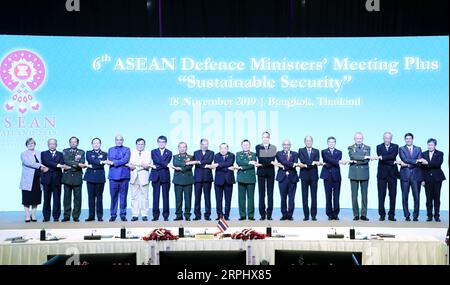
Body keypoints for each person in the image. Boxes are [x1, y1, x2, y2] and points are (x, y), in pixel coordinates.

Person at [348, 132, 376, 221]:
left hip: (364, 173)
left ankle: (363, 214)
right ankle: (356, 214)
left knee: (364, 195)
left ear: (363, 139)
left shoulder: (368, 147)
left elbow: (366, 161)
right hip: (354, 173)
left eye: (360, 138)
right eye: (357, 138)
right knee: (354, 195)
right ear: (354, 139)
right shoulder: (350, 147)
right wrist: (364, 157)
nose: (359, 140)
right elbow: (352, 156)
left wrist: (358, 159)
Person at [104, 135, 131, 222]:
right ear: (115, 141)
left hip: (124, 176)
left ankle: (123, 214)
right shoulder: (110, 149)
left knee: (123, 197)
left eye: (120, 140)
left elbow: (126, 160)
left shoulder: (127, 149)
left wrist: (114, 162)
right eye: (117, 140)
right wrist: (119, 161)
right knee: (113, 197)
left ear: (123, 141)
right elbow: (111, 159)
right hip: (113, 176)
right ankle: (113, 214)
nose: (119, 141)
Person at [20, 138, 47, 222]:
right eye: (28, 144)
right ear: (26, 145)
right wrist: (40, 165)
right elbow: (28, 163)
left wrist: (44, 167)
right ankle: (27, 215)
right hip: (27, 180)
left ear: (34, 144)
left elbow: (45, 162)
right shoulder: (24, 154)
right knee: (27, 198)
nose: (30, 145)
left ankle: (34, 215)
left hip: (38, 179)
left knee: (36, 198)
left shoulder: (39, 153)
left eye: (32, 143)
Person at [398, 133, 423, 221]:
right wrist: (415, 161)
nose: (408, 140)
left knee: (416, 197)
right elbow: (404, 159)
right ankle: (407, 215)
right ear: (405, 140)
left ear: (412, 139)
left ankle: (415, 216)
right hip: (404, 176)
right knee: (405, 197)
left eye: (410, 138)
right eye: (407, 139)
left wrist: (408, 165)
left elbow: (420, 162)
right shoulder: (401, 149)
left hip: (416, 176)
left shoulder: (418, 149)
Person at [320, 136, 346, 220]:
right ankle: (329, 214)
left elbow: (330, 162)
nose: (331, 143)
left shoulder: (339, 152)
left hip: (336, 176)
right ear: (327, 143)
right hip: (327, 176)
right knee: (328, 196)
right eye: (330, 142)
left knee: (336, 196)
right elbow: (328, 159)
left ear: (335, 143)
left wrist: (327, 163)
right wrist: (338, 162)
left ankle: (336, 214)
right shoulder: (323, 151)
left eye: (333, 142)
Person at [40, 138, 66, 222]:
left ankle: (56, 217)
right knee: (46, 199)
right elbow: (46, 162)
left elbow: (62, 164)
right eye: (50, 144)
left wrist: (56, 166)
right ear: (48, 145)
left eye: (54, 144)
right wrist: (57, 165)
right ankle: (46, 217)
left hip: (57, 179)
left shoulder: (61, 154)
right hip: (46, 179)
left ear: (56, 145)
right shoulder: (43, 153)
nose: (52, 145)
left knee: (57, 199)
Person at [376, 132, 399, 221]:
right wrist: (393, 162)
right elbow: (382, 158)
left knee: (393, 195)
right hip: (382, 175)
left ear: (391, 139)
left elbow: (393, 156)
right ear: (383, 138)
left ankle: (391, 214)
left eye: (389, 138)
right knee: (381, 195)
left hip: (393, 174)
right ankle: (382, 214)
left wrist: (383, 158)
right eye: (385, 138)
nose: (387, 140)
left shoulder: (396, 146)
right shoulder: (379, 147)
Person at [421, 138, 446, 222]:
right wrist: (423, 180)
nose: (430, 146)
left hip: (437, 178)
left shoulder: (440, 153)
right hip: (427, 178)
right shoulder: (423, 154)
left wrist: (427, 163)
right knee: (428, 198)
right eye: (428, 145)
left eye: (431, 145)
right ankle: (429, 215)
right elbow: (422, 168)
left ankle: (437, 216)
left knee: (437, 197)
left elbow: (438, 164)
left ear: (435, 145)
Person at [189, 139, 214, 221]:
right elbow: (192, 162)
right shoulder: (196, 153)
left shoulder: (211, 153)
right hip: (198, 178)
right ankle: (197, 215)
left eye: (206, 144)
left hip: (207, 178)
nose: (205, 145)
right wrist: (204, 165)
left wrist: (198, 162)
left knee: (207, 197)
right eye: (203, 144)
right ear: (200, 145)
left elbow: (209, 161)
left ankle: (207, 215)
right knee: (197, 197)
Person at [62, 136, 86, 222]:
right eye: (71, 142)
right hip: (67, 178)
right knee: (66, 198)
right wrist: (77, 164)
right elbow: (66, 160)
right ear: (69, 143)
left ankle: (76, 216)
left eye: (75, 142)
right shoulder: (65, 151)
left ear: (77, 143)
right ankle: (66, 216)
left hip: (77, 177)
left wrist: (72, 165)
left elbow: (82, 162)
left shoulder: (82, 152)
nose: (73, 143)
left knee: (77, 198)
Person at [275, 139, 300, 221]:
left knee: (291, 198)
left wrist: (284, 166)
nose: (286, 146)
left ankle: (290, 215)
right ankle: (284, 214)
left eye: (288, 144)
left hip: (292, 178)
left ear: (290, 145)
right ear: (282, 145)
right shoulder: (278, 153)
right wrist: (292, 164)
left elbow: (295, 164)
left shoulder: (295, 154)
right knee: (283, 197)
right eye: (285, 144)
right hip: (282, 178)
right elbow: (282, 161)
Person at [83, 138, 107, 222]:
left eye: (97, 143)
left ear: (100, 144)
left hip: (100, 177)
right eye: (94, 143)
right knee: (91, 197)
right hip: (90, 177)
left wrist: (91, 166)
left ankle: (100, 216)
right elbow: (90, 160)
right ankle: (91, 216)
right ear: (92, 144)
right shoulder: (88, 153)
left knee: (99, 197)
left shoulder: (104, 153)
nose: (96, 145)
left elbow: (98, 165)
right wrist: (100, 162)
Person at [255, 132, 277, 221]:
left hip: (270, 173)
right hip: (261, 173)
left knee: (270, 194)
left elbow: (272, 158)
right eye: (264, 137)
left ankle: (269, 214)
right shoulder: (258, 147)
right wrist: (270, 161)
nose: (265, 139)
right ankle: (262, 215)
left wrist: (268, 160)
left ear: (269, 138)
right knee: (261, 194)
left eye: (267, 137)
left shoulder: (273, 147)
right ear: (261, 138)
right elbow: (261, 158)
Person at [150, 135, 172, 221]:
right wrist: (165, 165)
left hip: (165, 176)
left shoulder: (169, 152)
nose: (161, 144)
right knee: (155, 197)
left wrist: (157, 166)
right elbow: (157, 160)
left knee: (165, 196)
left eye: (163, 142)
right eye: (160, 142)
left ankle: (166, 216)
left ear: (165, 143)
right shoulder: (153, 151)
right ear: (157, 143)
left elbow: (163, 162)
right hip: (156, 176)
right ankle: (155, 216)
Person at [128, 138, 151, 222]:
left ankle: (144, 214)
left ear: (144, 145)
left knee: (145, 196)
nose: (140, 146)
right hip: (134, 176)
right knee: (134, 197)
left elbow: (147, 164)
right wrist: (141, 164)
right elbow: (130, 163)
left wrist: (136, 164)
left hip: (144, 175)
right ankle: (135, 214)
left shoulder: (148, 153)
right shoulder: (132, 152)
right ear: (136, 144)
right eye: (138, 144)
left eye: (142, 144)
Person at [298, 136, 321, 221]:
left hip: (314, 176)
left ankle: (314, 215)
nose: (308, 142)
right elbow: (302, 160)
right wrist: (313, 162)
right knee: (305, 196)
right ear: (304, 142)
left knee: (314, 196)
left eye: (310, 140)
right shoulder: (301, 150)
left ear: (312, 141)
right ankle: (306, 215)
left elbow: (317, 160)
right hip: (304, 176)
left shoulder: (316, 151)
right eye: (307, 141)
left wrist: (310, 163)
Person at [235, 139, 258, 221]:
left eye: (247, 145)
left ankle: (251, 215)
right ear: (242, 146)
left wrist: (242, 167)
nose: (246, 146)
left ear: (249, 146)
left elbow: (253, 165)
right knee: (241, 198)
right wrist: (249, 162)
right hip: (241, 178)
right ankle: (242, 215)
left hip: (251, 178)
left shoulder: (254, 154)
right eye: (244, 145)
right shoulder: (238, 154)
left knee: (251, 198)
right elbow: (238, 161)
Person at [211, 143, 235, 221]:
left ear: (227, 149)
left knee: (228, 199)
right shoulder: (216, 156)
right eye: (221, 148)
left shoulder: (232, 155)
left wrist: (218, 165)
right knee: (218, 199)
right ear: (219, 149)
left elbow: (230, 163)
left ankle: (227, 215)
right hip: (218, 180)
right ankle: (219, 215)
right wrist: (227, 167)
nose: (223, 150)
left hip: (229, 180)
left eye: (225, 148)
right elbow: (227, 165)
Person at [171, 142, 195, 221]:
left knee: (188, 199)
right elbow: (175, 163)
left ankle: (187, 215)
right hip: (178, 180)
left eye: (184, 147)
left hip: (188, 180)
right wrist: (185, 163)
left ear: (186, 148)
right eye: (181, 147)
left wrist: (180, 167)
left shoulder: (191, 156)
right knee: (178, 199)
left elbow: (189, 167)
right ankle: (178, 215)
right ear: (178, 148)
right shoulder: (175, 156)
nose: (182, 149)